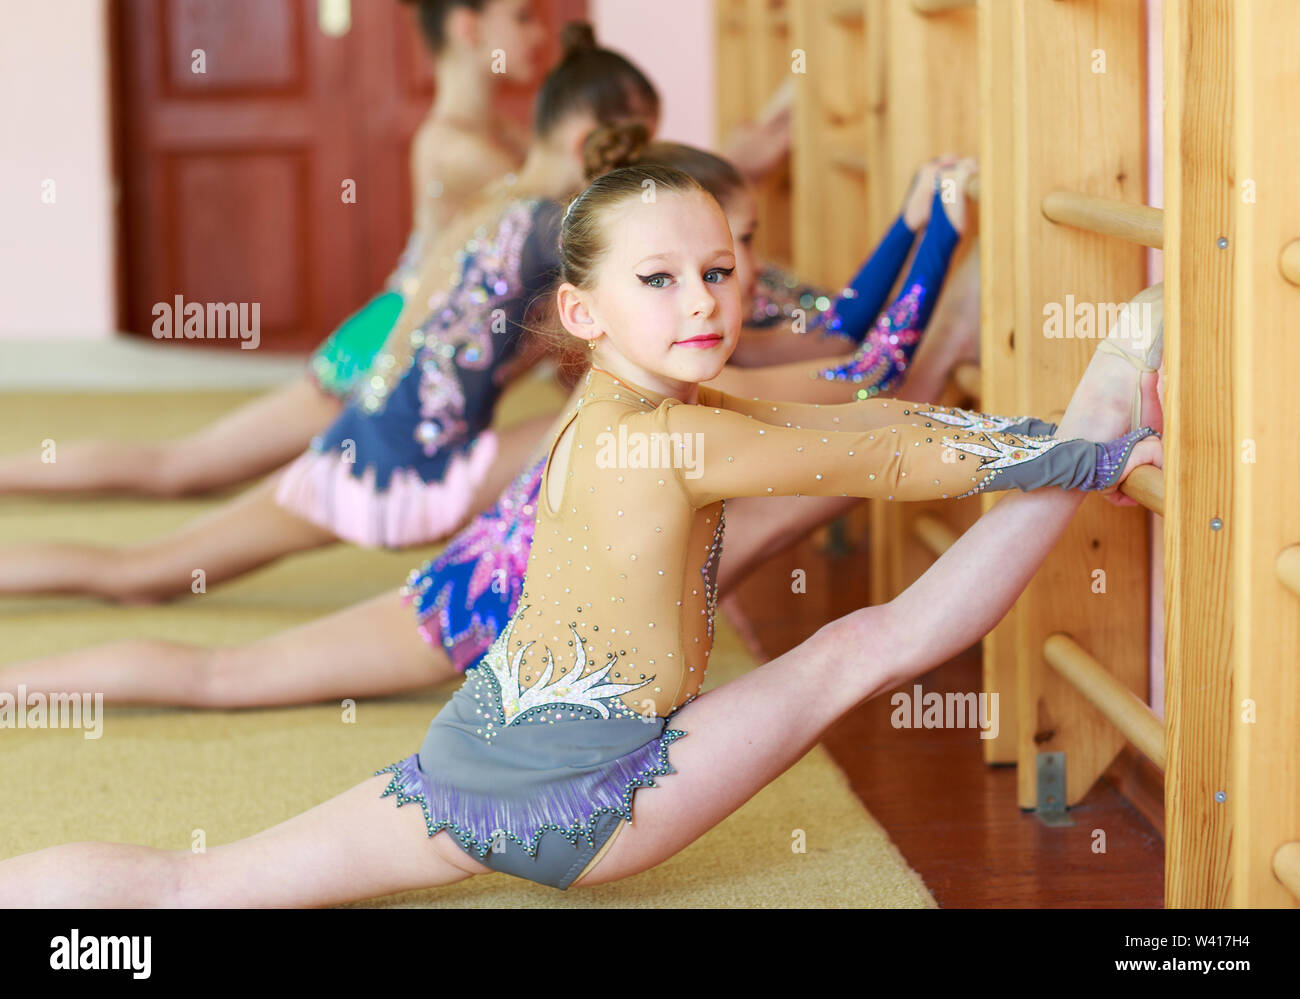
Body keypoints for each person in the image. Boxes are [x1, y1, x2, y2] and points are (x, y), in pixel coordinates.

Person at [0, 161, 1163, 906]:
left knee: (201, 885)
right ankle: (1110, 402)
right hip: (601, 796)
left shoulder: (623, 406)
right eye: (659, 279)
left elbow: (865, 418)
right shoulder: (678, 437)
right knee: (862, 646)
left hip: (460, 770)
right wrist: (1089, 450)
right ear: (581, 310)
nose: (703, 300)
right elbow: (890, 449)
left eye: (717, 270)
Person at [1, 145, 976, 708]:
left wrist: (917, 225)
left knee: (821, 462)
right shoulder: (670, 371)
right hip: (462, 613)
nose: (734, 281)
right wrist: (934, 226)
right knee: (219, 672)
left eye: (732, 260)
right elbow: (861, 364)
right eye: (725, 255)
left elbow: (845, 352)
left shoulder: (652, 352)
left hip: (473, 561)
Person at [0, 23, 659, 602]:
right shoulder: (506, 182)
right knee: (175, 479)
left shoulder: (511, 176)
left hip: (388, 384)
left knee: (155, 543)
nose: (534, 33)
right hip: (386, 381)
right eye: (518, 16)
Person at [0, 0, 547, 500]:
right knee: (181, 469)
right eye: (522, 17)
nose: (539, 33)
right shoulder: (460, 147)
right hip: (381, 347)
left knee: (187, 468)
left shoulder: (502, 134)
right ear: (468, 26)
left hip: (412, 344)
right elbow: (566, 224)